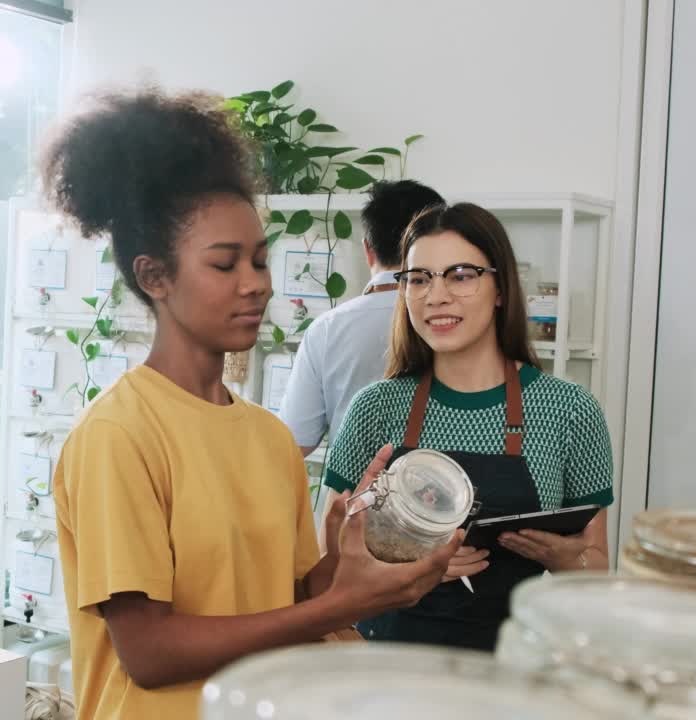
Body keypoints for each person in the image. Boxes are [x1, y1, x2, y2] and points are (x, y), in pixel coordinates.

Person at [41, 90, 461, 720]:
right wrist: (337, 607)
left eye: (261, 260)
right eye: (224, 264)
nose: (255, 283)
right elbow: (149, 652)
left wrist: (356, 563)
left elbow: (285, 597)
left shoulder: (267, 437)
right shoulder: (119, 435)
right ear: (155, 277)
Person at [323, 202, 614, 652]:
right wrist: (406, 557)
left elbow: (595, 572)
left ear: (500, 288)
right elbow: (330, 562)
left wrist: (558, 554)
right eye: (419, 279)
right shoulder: (375, 408)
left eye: (460, 275)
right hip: (386, 668)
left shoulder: (569, 410)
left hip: (512, 670)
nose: (435, 296)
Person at [279, 180, 445, 457]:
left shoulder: (327, 329)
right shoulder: (455, 320)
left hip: (350, 495)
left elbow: (295, 442)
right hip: (449, 492)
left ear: (368, 249)